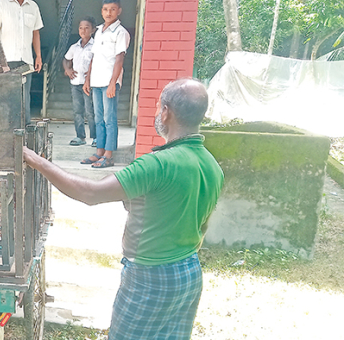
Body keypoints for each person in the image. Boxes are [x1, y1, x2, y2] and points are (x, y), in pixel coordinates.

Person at [24, 78, 224, 340]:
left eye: (157, 108)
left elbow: (89, 193)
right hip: (188, 272)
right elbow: (198, 221)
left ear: (166, 111)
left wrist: (36, 161)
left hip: (149, 277)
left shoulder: (157, 165)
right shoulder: (212, 165)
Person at [0, 0, 44, 126]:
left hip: (26, 61)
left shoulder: (33, 7)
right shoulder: (2, 5)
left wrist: (38, 55)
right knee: (7, 97)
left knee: (24, 99)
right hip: (6, 60)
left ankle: (23, 136)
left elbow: (36, 33)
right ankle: (7, 132)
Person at [81, 0, 130, 168]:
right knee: (98, 118)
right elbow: (93, 58)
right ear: (102, 11)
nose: (109, 13)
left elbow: (119, 59)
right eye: (105, 9)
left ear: (119, 11)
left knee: (110, 119)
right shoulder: (99, 31)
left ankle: (108, 156)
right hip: (96, 81)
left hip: (110, 83)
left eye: (113, 9)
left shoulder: (120, 32)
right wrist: (87, 80)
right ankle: (99, 152)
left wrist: (112, 83)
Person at [63, 17, 97, 146]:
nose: (83, 30)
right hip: (75, 83)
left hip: (90, 84)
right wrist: (68, 69)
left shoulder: (95, 46)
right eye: (81, 28)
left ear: (93, 30)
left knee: (90, 111)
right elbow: (66, 59)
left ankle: (95, 137)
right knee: (78, 111)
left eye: (87, 27)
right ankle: (80, 137)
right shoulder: (74, 47)